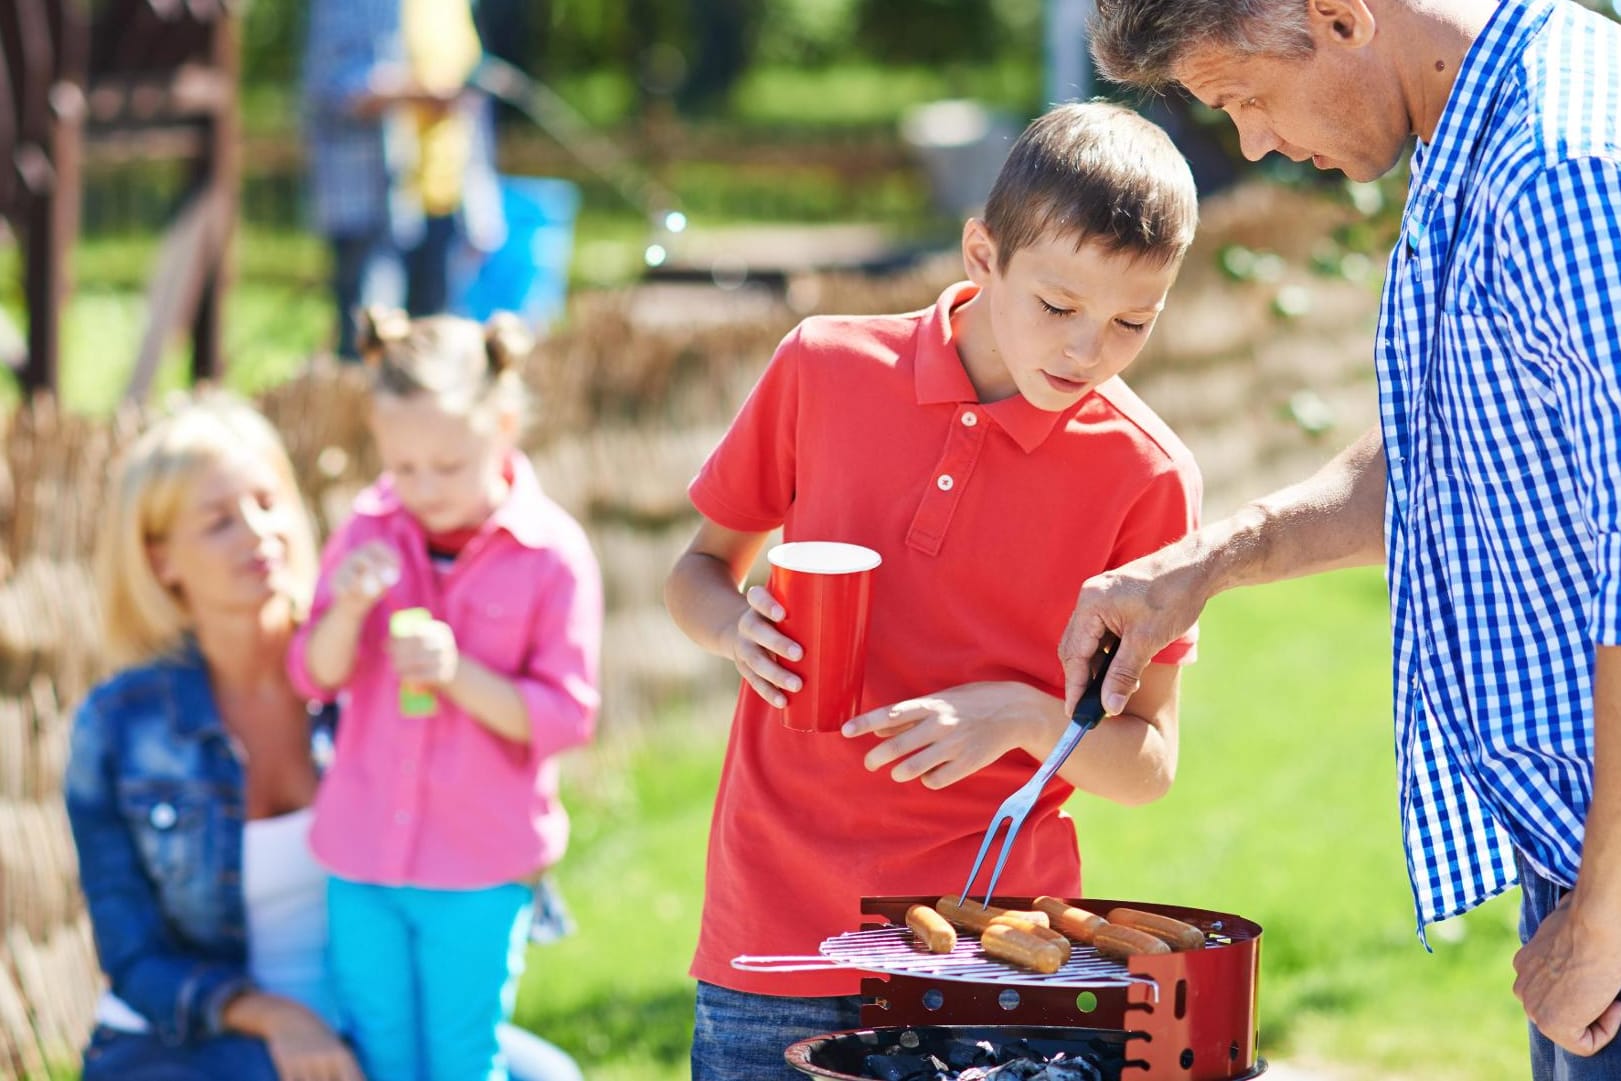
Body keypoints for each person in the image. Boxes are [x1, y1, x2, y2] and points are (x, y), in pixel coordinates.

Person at [1063, 1, 1621, 1076]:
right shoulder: (1486, 136)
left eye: (1243, 100)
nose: (1255, 144)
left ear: (1337, 15)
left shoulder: (1564, 169)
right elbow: (1456, 447)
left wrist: (1602, 917)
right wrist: (1213, 557)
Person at [664, 100, 1204, 1081]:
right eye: (1059, 307)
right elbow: (698, 572)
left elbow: (1148, 760)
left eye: (1132, 321)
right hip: (770, 922)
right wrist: (735, 630)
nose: (1087, 352)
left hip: (994, 952)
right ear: (980, 255)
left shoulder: (1146, 475)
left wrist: (1025, 716)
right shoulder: (822, 367)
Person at [62, 394, 589, 1081]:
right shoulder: (117, 726)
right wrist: (278, 1017)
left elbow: (496, 773)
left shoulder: (364, 671)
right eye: (219, 521)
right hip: (186, 1038)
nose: (260, 533)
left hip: (362, 1018)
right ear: (161, 560)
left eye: (268, 501)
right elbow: (133, 956)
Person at [288, 307, 603, 1081]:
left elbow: (565, 717)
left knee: (463, 1058)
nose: (422, 488)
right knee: (381, 1049)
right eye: (403, 466)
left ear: (502, 425)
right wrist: (350, 610)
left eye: (447, 465)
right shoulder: (366, 529)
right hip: (362, 859)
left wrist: (456, 672)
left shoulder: (550, 554)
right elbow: (311, 674)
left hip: (477, 867)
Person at [301, 0, 504, 360]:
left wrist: (485, 206)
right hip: (372, 203)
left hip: (448, 200)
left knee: (435, 360)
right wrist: (413, 92)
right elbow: (329, 86)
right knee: (371, 357)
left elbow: (473, 95)